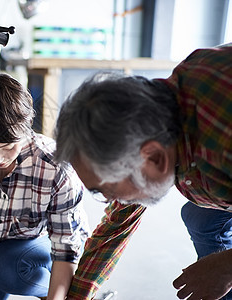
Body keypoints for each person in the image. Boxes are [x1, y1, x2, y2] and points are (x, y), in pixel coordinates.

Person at [54, 43, 232, 300]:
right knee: (201, 217)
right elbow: (116, 226)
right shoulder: (145, 122)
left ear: (155, 158)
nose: (111, 201)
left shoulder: (221, 136)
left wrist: (225, 267)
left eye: (109, 190)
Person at [0, 72, 90, 300]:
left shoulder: (55, 167)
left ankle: (64, 291)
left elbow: (65, 249)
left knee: (2, 267)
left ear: (24, 130)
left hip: (47, 240)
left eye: (7, 147)